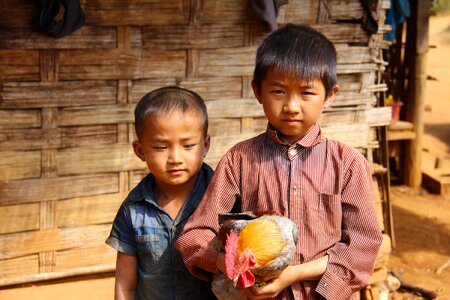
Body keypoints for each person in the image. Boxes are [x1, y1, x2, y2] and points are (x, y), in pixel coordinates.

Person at [175, 24, 383, 300]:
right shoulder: (239, 160)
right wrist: (232, 266)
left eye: (306, 93)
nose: (292, 106)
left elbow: (362, 245)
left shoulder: (348, 164)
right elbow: (195, 237)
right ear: (258, 91)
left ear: (330, 95)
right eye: (278, 91)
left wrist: (294, 273)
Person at [105, 86, 217, 300]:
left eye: (188, 145)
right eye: (160, 147)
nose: (175, 157)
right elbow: (125, 283)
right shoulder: (133, 210)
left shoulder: (223, 198)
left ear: (205, 145)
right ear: (140, 151)